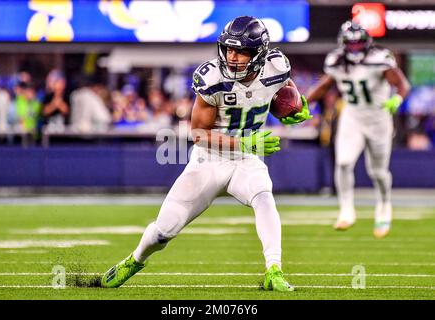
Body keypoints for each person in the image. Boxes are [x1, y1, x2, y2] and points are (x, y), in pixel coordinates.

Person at [100, 16, 312, 291]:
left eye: (241, 51)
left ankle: (274, 269)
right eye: (230, 50)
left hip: (246, 161)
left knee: (263, 194)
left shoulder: (276, 67)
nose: (232, 57)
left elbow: (283, 91)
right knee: (165, 230)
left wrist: (297, 105)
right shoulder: (212, 78)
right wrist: (244, 143)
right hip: (209, 159)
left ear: (259, 54)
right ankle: (135, 259)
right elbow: (198, 133)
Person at [306, 21, 410, 238]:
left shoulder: (379, 59)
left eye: (358, 44)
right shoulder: (335, 61)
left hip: (379, 118)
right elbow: (325, 86)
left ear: (367, 43)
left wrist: (397, 99)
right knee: (343, 162)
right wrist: (304, 104)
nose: (354, 48)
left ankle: (383, 206)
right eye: (350, 44)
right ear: (342, 44)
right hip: (352, 117)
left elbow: (402, 84)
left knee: (378, 172)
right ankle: (346, 209)